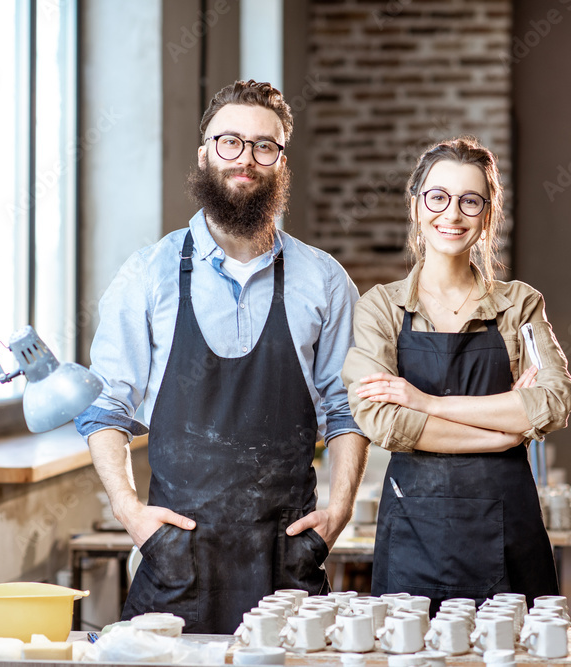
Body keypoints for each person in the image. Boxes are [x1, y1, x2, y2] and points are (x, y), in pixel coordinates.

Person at [75, 80, 369, 634]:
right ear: (205, 151)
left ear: (281, 160)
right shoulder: (147, 274)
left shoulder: (323, 280)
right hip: (176, 564)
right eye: (230, 141)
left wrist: (339, 510)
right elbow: (106, 406)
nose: (247, 159)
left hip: (289, 562)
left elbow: (347, 405)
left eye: (265, 146)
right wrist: (129, 512)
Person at [341, 136, 571, 614]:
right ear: (416, 206)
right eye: (438, 197)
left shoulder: (519, 305)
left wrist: (426, 403)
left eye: (471, 200)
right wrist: (502, 431)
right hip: (413, 530)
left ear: (487, 214)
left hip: (508, 529)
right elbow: (384, 422)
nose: (452, 214)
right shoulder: (380, 307)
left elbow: (554, 401)